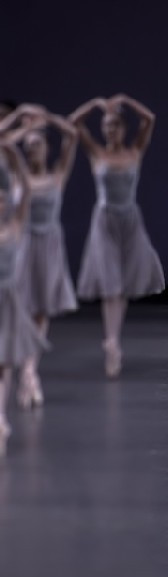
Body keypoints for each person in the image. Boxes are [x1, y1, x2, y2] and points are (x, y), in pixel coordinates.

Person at [70, 94, 166, 378]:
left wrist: (125, 99)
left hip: (130, 221)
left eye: (115, 125)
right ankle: (111, 343)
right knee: (110, 282)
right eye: (106, 125)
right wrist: (97, 104)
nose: (110, 130)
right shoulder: (95, 152)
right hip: (104, 220)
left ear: (123, 128)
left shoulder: (135, 149)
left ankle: (113, 340)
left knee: (122, 283)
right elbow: (73, 122)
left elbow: (150, 119)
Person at [0, 104, 77, 406]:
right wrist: (19, 119)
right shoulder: (19, 179)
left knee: (41, 308)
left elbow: (71, 134)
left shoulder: (58, 174)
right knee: (21, 307)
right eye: (28, 146)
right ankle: (20, 368)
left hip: (49, 247)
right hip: (21, 247)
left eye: (37, 145)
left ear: (46, 148)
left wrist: (47, 118)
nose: (33, 150)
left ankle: (30, 371)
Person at [0, 123, 46, 445]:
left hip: (8, 298)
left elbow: (26, 188)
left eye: (5, 199)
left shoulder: (16, 226)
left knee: (4, 361)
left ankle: (0, 414)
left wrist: (12, 150)